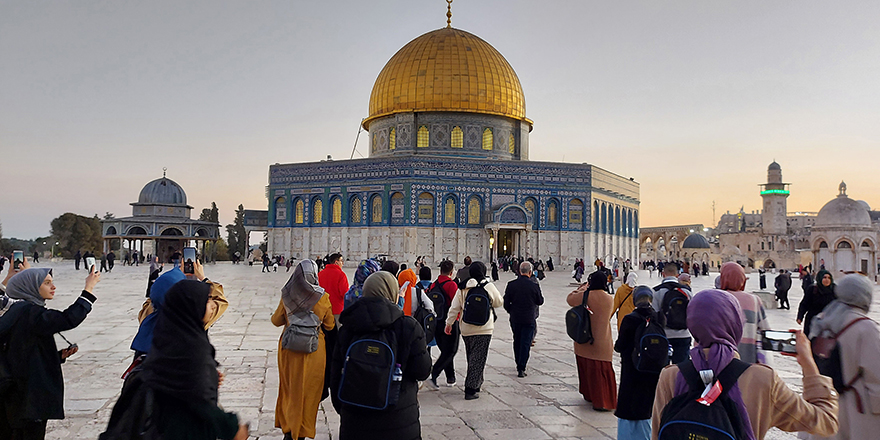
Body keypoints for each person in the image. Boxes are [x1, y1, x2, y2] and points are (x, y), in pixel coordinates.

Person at [651, 289, 839, 440]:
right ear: (735, 324)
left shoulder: (670, 376)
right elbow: (826, 421)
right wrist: (808, 363)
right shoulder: (762, 380)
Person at [103, 280, 249, 440]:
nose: (213, 305)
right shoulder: (192, 348)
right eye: (207, 300)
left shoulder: (167, 338)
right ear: (192, 307)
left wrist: (208, 377)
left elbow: (179, 381)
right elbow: (198, 401)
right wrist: (232, 428)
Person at [0, 266, 100, 439]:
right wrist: (88, 289)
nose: (53, 287)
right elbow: (68, 319)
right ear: (29, 287)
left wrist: (56, 356)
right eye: (46, 283)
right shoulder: (30, 313)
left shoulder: (18, 311)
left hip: (16, 396)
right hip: (28, 399)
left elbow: (22, 351)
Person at [330, 271, 431, 440]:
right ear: (392, 292)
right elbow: (422, 371)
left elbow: (335, 377)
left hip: (355, 423)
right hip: (399, 423)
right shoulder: (408, 327)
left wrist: (346, 410)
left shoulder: (348, 326)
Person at [807, 274, 880, 439]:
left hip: (826, 403)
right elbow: (876, 375)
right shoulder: (866, 328)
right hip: (856, 410)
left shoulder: (821, 321)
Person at [272, 260, 335, 440]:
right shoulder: (322, 297)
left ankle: (288, 428)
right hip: (314, 351)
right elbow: (330, 325)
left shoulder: (287, 295)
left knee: (290, 389)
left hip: (289, 350)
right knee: (309, 392)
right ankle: (303, 430)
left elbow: (276, 321)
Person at [445, 262, 503, 400]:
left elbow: (454, 308)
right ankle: (470, 389)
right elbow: (499, 302)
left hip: (466, 328)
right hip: (484, 328)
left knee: (473, 356)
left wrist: (449, 323)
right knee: (478, 358)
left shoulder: (463, 287)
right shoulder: (488, 285)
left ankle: (477, 383)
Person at [615, 286, 664, 440]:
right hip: (653, 368)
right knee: (646, 404)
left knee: (628, 405)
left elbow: (620, 346)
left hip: (632, 368)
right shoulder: (659, 318)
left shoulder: (630, 319)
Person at [567, 271, 617, 411]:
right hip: (602, 342)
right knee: (602, 371)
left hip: (584, 341)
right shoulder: (609, 299)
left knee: (587, 368)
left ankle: (590, 395)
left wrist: (582, 288)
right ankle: (603, 400)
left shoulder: (585, 296)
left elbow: (570, 298)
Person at [717, 262, 769, 364]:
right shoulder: (754, 300)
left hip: (721, 360)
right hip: (748, 359)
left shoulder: (716, 299)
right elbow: (765, 329)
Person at [503, 261, 544, 377]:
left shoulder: (511, 284)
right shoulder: (534, 285)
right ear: (530, 272)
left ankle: (518, 363)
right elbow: (540, 301)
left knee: (517, 340)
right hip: (529, 318)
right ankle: (522, 367)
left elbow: (506, 302)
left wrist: (511, 311)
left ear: (519, 271)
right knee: (526, 342)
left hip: (515, 317)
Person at [426, 260, 460, 389]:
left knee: (445, 350)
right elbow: (456, 305)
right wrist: (455, 320)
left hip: (436, 323)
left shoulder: (434, 285)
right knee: (451, 350)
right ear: (451, 272)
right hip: (449, 323)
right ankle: (434, 373)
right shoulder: (451, 285)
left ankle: (450, 378)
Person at [652, 263, 692, 364]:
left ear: (663, 273)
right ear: (678, 275)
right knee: (682, 369)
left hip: (664, 335)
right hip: (683, 334)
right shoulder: (686, 291)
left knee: (663, 368)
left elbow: (654, 314)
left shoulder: (656, 291)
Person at [797, 269, 837, 337]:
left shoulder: (835, 289)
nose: (827, 280)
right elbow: (804, 304)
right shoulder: (813, 289)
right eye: (824, 277)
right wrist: (800, 317)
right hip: (813, 320)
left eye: (829, 278)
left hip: (829, 321)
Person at [318, 253, 349, 324]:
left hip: (322, 310)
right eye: (341, 261)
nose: (343, 263)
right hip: (336, 310)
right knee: (337, 332)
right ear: (336, 262)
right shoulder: (341, 275)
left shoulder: (320, 274)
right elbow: (344, 293)